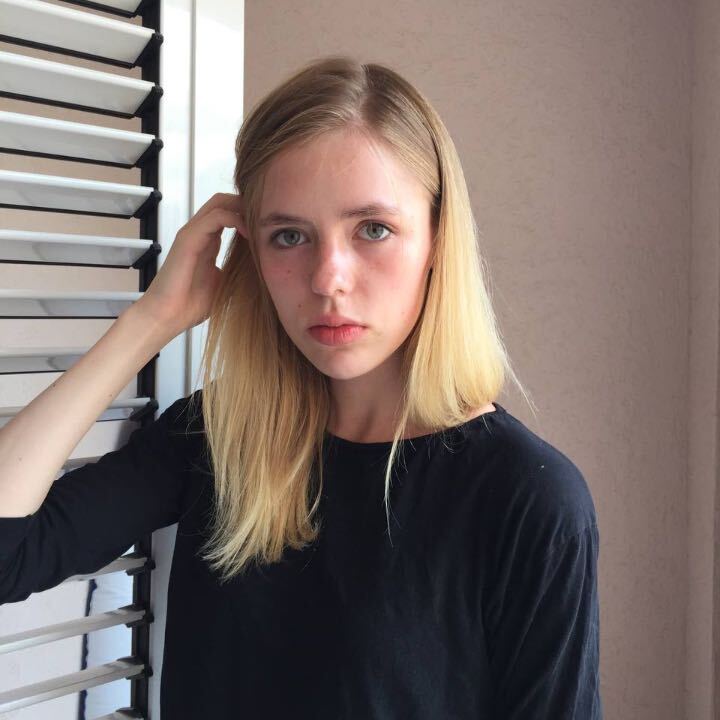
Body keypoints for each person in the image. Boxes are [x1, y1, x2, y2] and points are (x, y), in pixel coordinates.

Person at [0, 56, 602, 718]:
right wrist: (154, 320)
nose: (327, 278)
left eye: (373, 229)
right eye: (289, 236)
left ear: (437, 239)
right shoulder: (215, 438)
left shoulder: (526, 498)